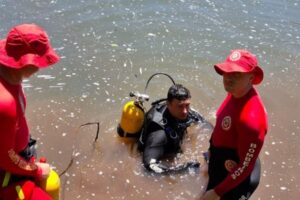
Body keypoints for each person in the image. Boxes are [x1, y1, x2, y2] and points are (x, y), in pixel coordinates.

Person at [0, 23, 60, 200]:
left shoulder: (9, 74)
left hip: (17, 152)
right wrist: (35, 170)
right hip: (8, 166)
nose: (41, 67)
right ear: (26, 63)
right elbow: (5, 157)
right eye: (39, 62)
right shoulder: (4, 102)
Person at [201, 49, 268, 200]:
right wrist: (211, 151)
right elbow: (221, 128)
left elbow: (245, 166)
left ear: (251, 78)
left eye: (236, 74)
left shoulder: (252, 119)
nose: (228, 78)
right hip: (221, 162)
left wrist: (217, 192)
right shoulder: (235, 92)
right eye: (227, 72)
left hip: (236, 178)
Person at [138, 84, 205, 173]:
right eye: (180, 106)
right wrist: (182, 170)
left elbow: (204, 123)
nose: (185, 111)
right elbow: (149, 166)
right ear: (168, 104)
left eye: (187, 105)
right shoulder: (159, 134)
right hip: (161, 149)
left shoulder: (185, 112)